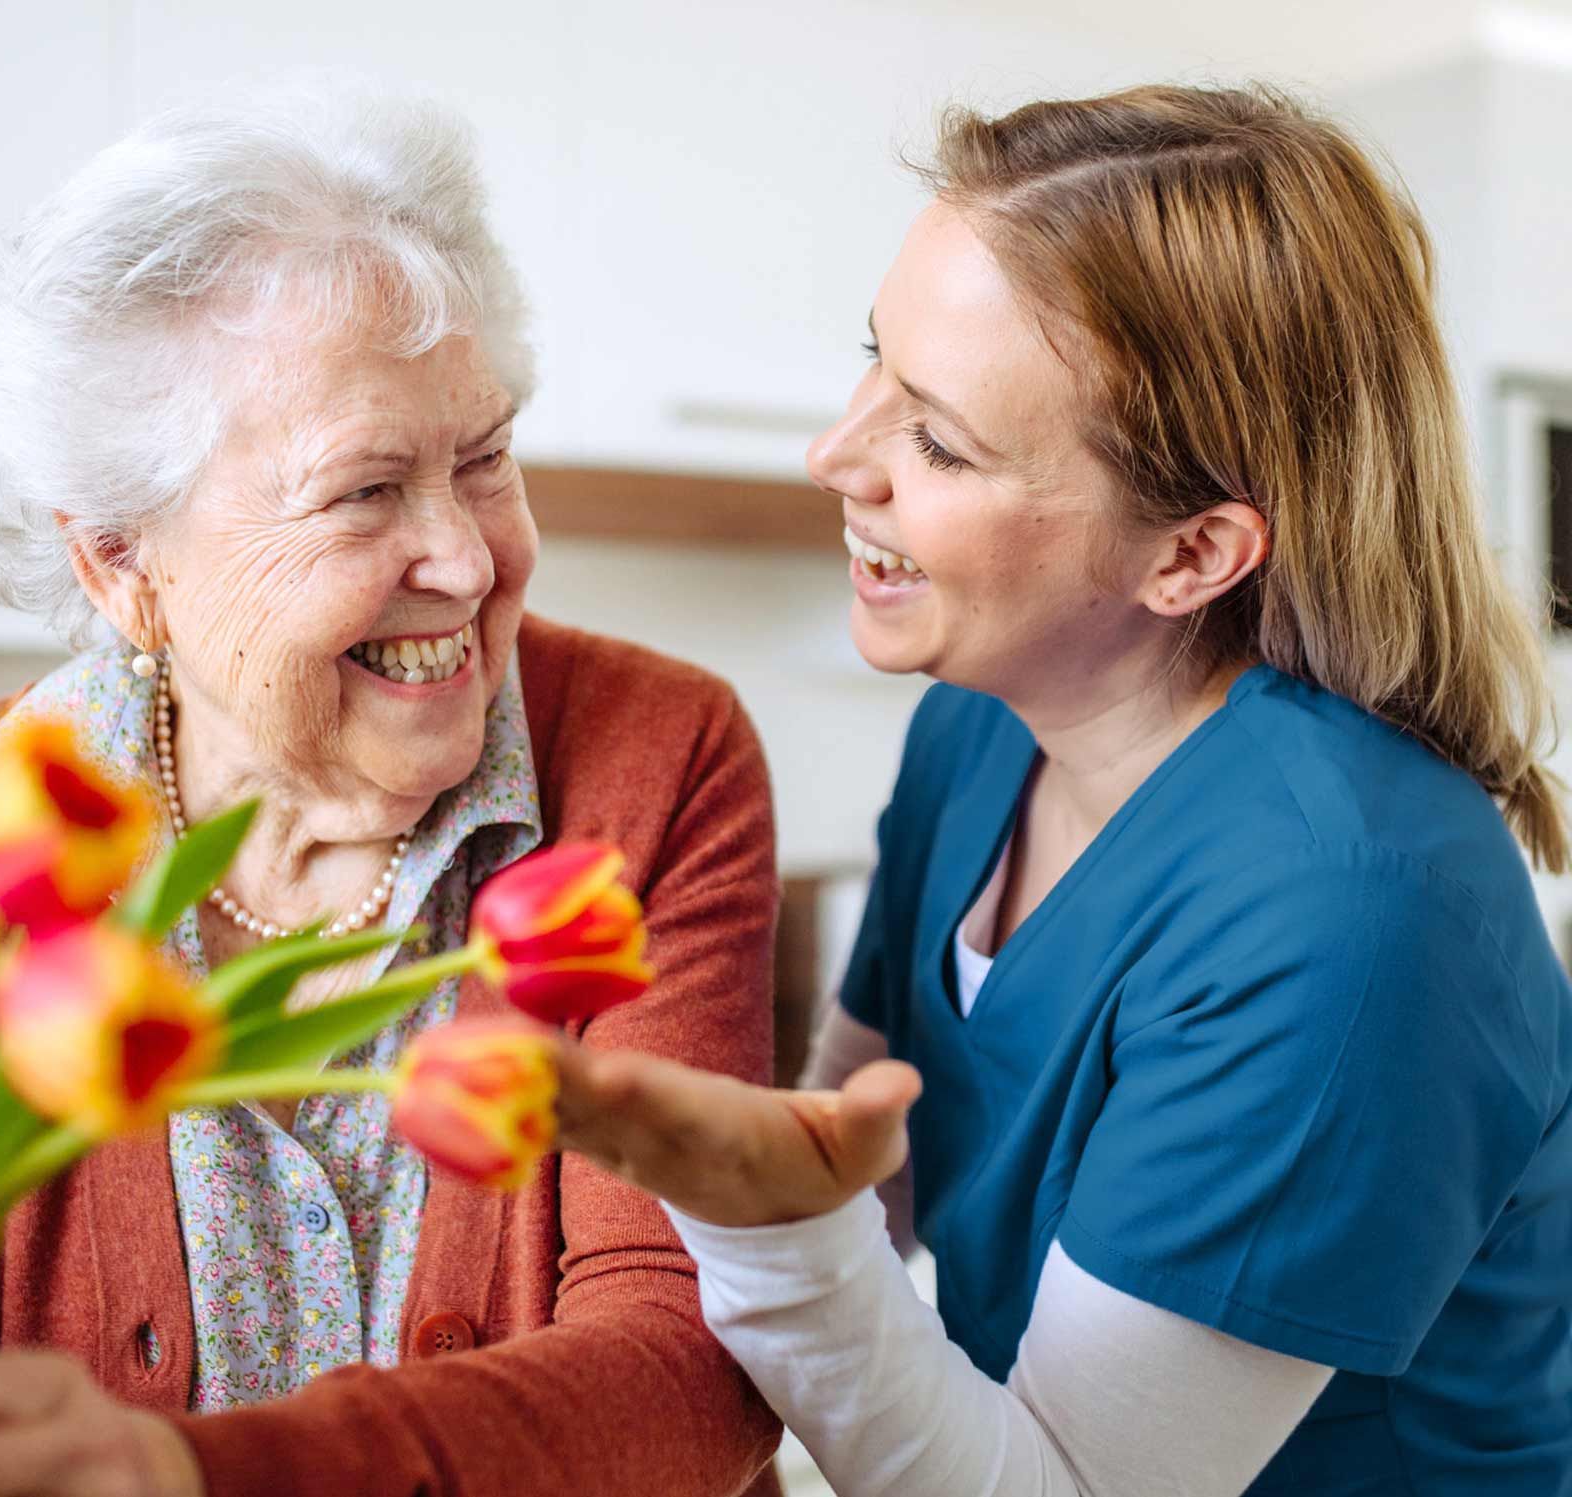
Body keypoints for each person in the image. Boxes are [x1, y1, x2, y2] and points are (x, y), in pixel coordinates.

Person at [0, 90, 784, 1497]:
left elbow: (694, 1359)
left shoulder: (656, 754)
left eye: (485, 458)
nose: (465, 557)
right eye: (364, 492)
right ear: (117, 565)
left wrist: (183, 1471)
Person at [553, 83, 1572, 1495]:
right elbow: (854, 1161)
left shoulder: (1348, 916)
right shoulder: (978, 729)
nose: (836, 458)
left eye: (940, 441)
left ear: (1193, 554)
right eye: (874, 366)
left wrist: (766, 1227)